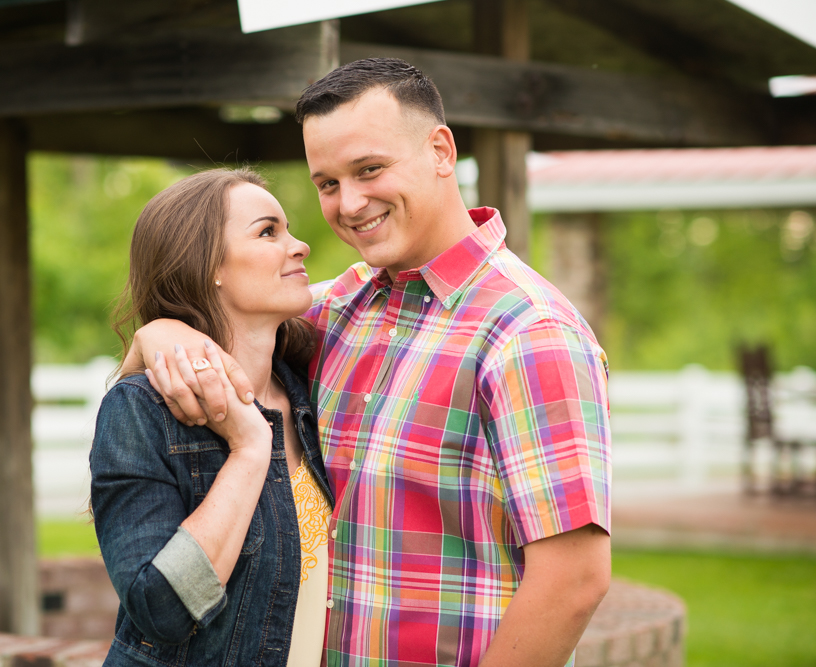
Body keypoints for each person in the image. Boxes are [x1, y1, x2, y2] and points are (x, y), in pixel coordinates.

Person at [124, 58, 612, 667]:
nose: (349, 203)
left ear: (440, 150)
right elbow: (225, 316)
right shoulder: (340, 309)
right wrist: (163, 331)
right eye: (327, 183)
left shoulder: (529, 332)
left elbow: (573, 581)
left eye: (370, 169)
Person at [89, 168, 335, 667]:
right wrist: (249, 449)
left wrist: (154, 332)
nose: (301, 245)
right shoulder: (141, 410)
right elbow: (161, 610)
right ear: (208, 267)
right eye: (269, 232)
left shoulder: (311, 387)